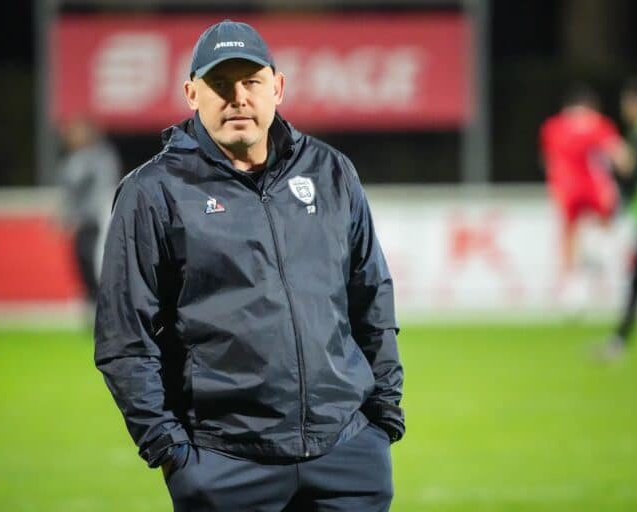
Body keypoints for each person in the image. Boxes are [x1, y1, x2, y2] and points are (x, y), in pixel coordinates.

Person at [94, 20, 404, 511]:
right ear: (191, 94)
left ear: (277, 88)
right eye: (219, 84)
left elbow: (372, 297)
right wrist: (169, 450)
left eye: (251, 82)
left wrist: (382, 417)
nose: (237, 97)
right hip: (225, 465)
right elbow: (123, 337)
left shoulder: (331, 172)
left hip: (347, 454)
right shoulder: (152, 192)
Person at [539, 85, 631, 307]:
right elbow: (620, 156)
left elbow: (548, 160)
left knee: (569, 234)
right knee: (606, 228)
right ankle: (600, 266)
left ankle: (571, 286)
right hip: (595, 187)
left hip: (565, 189)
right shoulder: (598, 123)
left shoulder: (553, 126)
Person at [599, 78, 637, 358]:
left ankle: (618, 342)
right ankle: (619, 340)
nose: (624, 107)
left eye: (628, 101)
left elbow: (632, 177)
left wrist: (614, 172)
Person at [57, 117, 120, 305]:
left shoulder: (100, 157)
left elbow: (81, 181)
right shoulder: (76, 158)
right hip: (85, 221)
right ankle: (91, 297)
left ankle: (102, 298)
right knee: (82, 258)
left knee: (96, 257)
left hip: (99, 219)